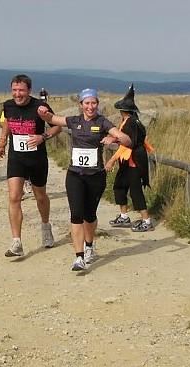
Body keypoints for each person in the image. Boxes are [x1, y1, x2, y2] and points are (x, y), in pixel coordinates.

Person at [38, 88, 131, 271]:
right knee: (76, 215)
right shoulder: (74, 121)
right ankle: (79, 257)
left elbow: (127, 140)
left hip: (95, 176)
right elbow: (52, 119)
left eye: (93, 103)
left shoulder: (102, 122)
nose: (90, 107)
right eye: (87, 103)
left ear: (97, 104)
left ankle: (89, 245)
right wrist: (43, 112)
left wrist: (114, 138)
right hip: (75, 175)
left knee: (89, 216)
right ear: (80, 105)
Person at [0, 74, 62, 257]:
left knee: (40, 196)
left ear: (29, 91)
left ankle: (46, 226)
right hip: (16, 158)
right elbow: (7, 122)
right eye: (14, 90)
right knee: (14, 197)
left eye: (21, 90)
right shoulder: (8, 105)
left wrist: (43, 137)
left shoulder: (40, 107)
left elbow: (57, 126)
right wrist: (2, 140)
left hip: (37, 159)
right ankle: (16, 242)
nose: (17, 94)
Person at [105, 84, 155, 232]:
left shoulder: (131, 123)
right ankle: (124, 216)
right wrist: (114, 139)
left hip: (134, 161)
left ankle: (146, 220)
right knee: (119, 186)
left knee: (135, 190)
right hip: (127, 161)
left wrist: (112, 160)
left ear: (122, 110)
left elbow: (128, 144)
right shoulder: (130, 121)